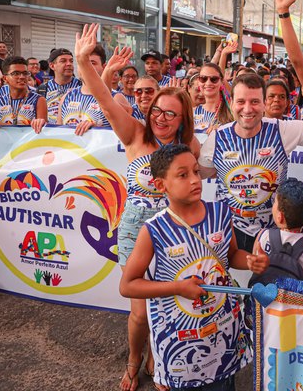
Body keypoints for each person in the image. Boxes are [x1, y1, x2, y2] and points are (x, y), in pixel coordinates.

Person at [73, 23, 200, 391]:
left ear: (182, 119)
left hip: (175, 231)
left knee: (170, 304)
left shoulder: (188, 149)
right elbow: (102, 97)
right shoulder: (134, 134)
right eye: (157, 110)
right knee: (140, 310)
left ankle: (158, 361)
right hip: (135, 230)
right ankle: (133, 360)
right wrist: (85, 62)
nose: (160, 117)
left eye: (170, 114)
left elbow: (194, 192)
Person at [119, 144, 268, 391]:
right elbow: (128, 285)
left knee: (223, 385)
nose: (194, 180)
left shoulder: (220, 212)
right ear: (160, 185)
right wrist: (178, 287)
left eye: (196, 172)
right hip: (180, 343)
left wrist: (250, 261)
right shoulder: (153, 230)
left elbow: (231, 256)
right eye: (183, 175)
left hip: (223, 333)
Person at [199, 73, 303, 252]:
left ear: (264, 103)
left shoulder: (282, 130)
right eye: (241, 102)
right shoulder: (217, 137)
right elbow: (200, 173)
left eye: (255, 102)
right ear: (231, 102)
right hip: (229, 228)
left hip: (273, 230)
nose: (248, 109)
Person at [251, 178, 303, 286]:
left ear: (280, 217)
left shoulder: (263, 236)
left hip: (263, 302)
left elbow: (255, 269)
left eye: (275, 202)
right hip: (299, 302)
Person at [58, 45, 129, 135]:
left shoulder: (116, 97)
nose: (86, 67)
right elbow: (58, 134)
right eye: (82, 63)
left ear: (104, 67)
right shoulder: (66, 98)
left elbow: (126, 135)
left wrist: (97, 131)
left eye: (92, 63)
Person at [0, 56, 47, 133]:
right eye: (16, 73)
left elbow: (42, 131)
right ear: (5, 78)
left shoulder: (39, 100)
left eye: (25, 73)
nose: (22, 77)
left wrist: (4, 125)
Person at [37, 48, 81, 124]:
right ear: (52, 65)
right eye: (63, 61)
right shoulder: (43, 89)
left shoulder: (81, 86)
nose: (69, 64)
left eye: (71, 61)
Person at [193, 63, 233, 138]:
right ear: (199, 82)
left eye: (214, 79)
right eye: (203, 78)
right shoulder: (191, 113)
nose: (208, 83)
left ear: (221, 82)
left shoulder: (231, 111)